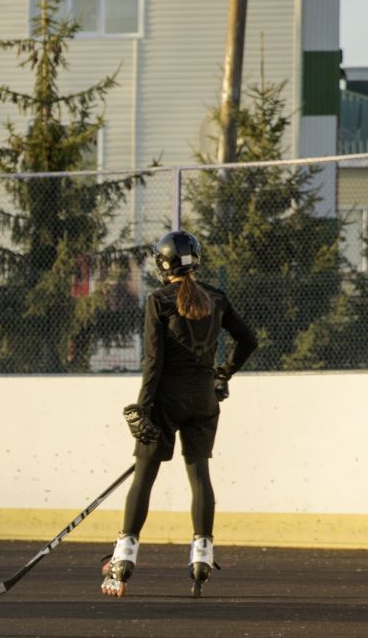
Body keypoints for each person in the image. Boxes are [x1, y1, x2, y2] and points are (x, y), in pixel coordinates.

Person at [104, 230, 257, 598]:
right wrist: (222, 374)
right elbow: (248, 340)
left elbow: (153, 362)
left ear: (162, 263)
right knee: (198, 473)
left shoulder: (159, 300)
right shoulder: (216, 299)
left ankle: (124, 558)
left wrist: (143, 407)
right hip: (204, 399)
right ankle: (201, 557)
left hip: (166, 400)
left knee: (144, 477)